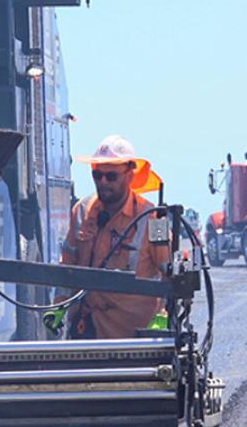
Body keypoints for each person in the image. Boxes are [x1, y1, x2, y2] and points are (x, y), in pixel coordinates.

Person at [58, 135, 169, 339]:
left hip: (135, 339)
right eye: (97, 175)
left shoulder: (153, 218)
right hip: (88, 332)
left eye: (111, 176)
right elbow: (67, 267)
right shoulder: (82, 211)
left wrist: (164, 316)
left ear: (129, 175)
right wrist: (59, 306)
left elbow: (170, 273)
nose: (102, 182)